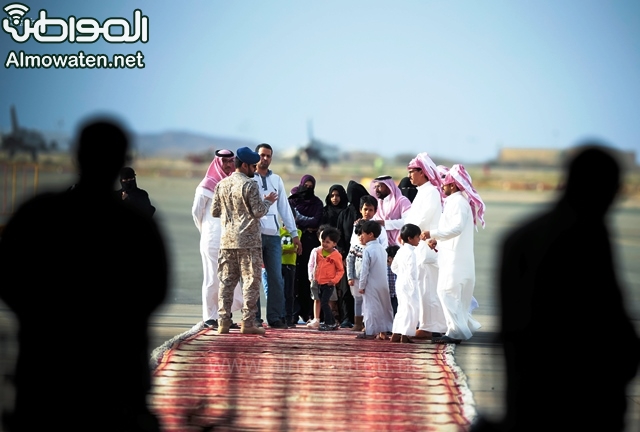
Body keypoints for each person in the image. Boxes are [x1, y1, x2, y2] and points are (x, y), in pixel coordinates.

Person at [0, 117, 168, 431]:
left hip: (45, 370)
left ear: (76, 154)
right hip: (116, 372)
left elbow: (9, 279)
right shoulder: (135, 224)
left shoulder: (37, 213)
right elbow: (156, 291)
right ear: (122, 161)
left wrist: (43, 319)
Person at [471, 144, 640, 432]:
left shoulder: (520, 237)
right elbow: (608, 321)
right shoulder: (584, 236)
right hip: (574, 396)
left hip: (528, 391)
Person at [211, 147, 277, 335]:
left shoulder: (221, 184)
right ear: (245, 165)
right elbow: (258, 211)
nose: (255, 169)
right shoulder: (250, 185)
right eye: (253, 166)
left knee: (226, 282)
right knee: (250, 281)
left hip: (227, 241)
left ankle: (223, 322)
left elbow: (215, 211)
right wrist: (268, 201)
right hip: (248, 241)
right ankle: (247, 323)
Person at [423, 164, 485, 344]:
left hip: (455, 260)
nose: (442, 186)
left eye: (445, 183)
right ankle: (455, 330)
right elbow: (451, 230)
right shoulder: (455, 202)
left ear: (453, 185)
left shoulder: (458, 202)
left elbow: (456, 228)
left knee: (445, 292)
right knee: (452, 295)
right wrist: (437, 240)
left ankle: (458, 332)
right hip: (453, 257)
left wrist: (432, 233)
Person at [191, 149, 243, 329]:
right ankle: (210, 317)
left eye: (230, 161)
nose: (228, 165)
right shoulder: (206, 186)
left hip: (231, 240)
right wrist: (206, 231)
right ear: (217, 163)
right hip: (212, 239)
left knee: (230, 279)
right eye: (224, 162)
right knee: (213, 279)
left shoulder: (234, 184)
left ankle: (225, 316)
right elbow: (196, 212)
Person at [253, 143, 302, 329]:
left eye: (268, 156)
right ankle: (254, 317)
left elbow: (284, 208)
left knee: (276, 278)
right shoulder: (249, 179)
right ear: (256, 156)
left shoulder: (277, 179)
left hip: (273, 236)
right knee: (253, 277)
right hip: (254, 235)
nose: (265, 159)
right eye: (262, 155)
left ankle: (275, 317)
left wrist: (294, 234)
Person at [403, 153, 447, 340]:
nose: (409, 176)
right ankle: (427, 325)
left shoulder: (431, 192)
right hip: (418, 246)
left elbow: (422, 219)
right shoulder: (423, 191)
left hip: (427, 247)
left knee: (428, 289)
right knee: (422, 288)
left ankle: (430, 327)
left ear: (422, 172)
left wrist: (407, 234)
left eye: (412, 172)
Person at [346, 195, 388, 332]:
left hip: (373, 269)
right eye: (365, 209)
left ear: (375, 211)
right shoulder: (356, 226)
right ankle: (358, 323)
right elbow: (353, 246)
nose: (367, 212)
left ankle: (369, 325)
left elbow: (384, 246)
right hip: (358, 268)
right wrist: (350, 275)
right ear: (360, 210)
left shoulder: (379, 228)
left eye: (370, 210)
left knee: (370, 299)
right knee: (358, 298)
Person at [289, 174, 324, 324]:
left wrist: (299, 220)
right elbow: (290, 218)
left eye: (311, 187)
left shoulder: (317, 203)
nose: (307, 189)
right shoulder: (292, 200)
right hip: (294, 241)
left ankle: (309, 313)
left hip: (310, 243)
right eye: (305, 186)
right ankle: (293, 312)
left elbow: (316, 221)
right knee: (293, 278)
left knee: (308, 277)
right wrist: (304, 222)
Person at [336, 180, 370, 328]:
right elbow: (340, 235)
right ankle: (346, 317)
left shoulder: (366, 217)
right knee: (346, 289)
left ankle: (364, 320)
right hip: (348, 257)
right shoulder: (344, 214)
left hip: (365, 257)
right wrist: (343, 254)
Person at [357, 220, 394, 340]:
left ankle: (370, 331)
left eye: (363, 233)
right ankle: (384, 331)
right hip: (383, 283)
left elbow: (365, 270)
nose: (362, 236)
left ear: (370, 234)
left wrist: (361, 286)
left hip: (371, 284)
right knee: (384, 307)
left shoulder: (368, 250)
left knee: (370, 308)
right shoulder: (382, 249)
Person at [320, 184, 349, 326]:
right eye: (332, 195)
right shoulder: (325, 211)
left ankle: (343, 316)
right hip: (325, 252)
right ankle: (327, 317)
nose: (335, 198)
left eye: (337, 195)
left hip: (340, 252)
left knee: (340, 286)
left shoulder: (346, 212)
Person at [308, 226, 345, 331]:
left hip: (329, 283)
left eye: (328, 242)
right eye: (323, 241)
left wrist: (334, 280)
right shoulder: (318, 252)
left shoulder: (336, 255)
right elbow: (313, 265)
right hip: (319, 282)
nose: (324, 244)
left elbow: (340, 270)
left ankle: (329, 322)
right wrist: (313, 277)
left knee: (325, 302)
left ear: (334, 243)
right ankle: (332, 322)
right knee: (320, 300)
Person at [389, 224, 421, 343]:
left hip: (400, 282)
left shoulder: (400, 250)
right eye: (417, 237)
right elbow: (412, 272)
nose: (419, 239)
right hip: (410, 284)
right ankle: (405, 334)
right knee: (411, 309)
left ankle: (396, 333)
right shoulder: (411, 253)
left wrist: (402, 274)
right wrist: (413, 283)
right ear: (410, 238)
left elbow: (393, 267)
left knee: (402, 308)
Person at [369, 175, 412, 247]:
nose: (376, 190)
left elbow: (407, 221)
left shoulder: (402, 201)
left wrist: (385, 223)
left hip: (399, 244)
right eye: (375, 187)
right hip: (383, 244)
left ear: (388, 186)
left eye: (379, 186)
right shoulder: (378, 203)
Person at [281, 221, 302, 328]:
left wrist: (284, 249)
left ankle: (289, 318)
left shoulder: (298, 232)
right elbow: (279, 247)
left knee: (289, 292)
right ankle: (279, 317)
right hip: (279, 264)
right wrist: (288, 249)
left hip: (290, 264)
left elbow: (295, 247)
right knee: (279, 292)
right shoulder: (278, 231)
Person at [386, 245, 400, 317]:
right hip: (387, 295)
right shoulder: (385, 268)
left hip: (396, 295)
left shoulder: (400, 267)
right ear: (390, 258)